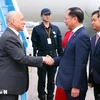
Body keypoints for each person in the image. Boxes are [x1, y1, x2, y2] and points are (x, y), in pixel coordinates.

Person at [0, 11, 54, 100]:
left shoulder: (12, 35)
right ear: (13, 22)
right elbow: (21, 58)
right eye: (22, 20)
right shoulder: (10, 37)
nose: (24, 22)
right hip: (8, 85)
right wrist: (43, 59)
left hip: (10, 85)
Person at [53, 7, 90, 100]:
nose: (64, 21)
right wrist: (52, 60)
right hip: (68, 84)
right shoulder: (75, 34)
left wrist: (76, 86)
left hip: (74, 86)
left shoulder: (82, 36)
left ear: (75, 19)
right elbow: (67, 57)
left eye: (66, 18)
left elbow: (80, 63)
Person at [31, 8, 63, 100]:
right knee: (41, 78)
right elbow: (34, 45)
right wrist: (35, 59)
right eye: (45, 14)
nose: (47, 16)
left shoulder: (55, 29)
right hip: (42, 55)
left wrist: (60, 58)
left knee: (51, 79)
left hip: (53, 55)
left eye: (49, 14)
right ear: (41, 16)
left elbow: (59, 45)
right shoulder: (37, 29)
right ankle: (41, 95)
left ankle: (50, 96)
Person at [88, 10, 100, 100]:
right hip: (96, 80)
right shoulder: (93, 39)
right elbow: (92, 59)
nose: (92, 22)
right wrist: (91, 79)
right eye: (91, 20)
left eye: (94, 20)